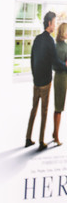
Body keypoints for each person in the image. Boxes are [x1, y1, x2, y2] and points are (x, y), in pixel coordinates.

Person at [25, 11, 67, 150]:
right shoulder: (49, 41)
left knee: (33, 109)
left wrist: (35, 76)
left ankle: (28, 138)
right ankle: (42, 141)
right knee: (44, 111)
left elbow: (32, 59)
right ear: (49, 23)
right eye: (54, 23)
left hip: (36, 81)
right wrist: (65, 67)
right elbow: (55, 60)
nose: (55, 26)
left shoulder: (37, 39)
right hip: (45, 82)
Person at [53, 22, 67, 145]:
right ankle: (56, 136)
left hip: (62, 77)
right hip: (61, 79)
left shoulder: (60, 45)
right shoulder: (60, 46)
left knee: (59, 107)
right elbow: (56, 64)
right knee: (59, 108)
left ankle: (54, 133)